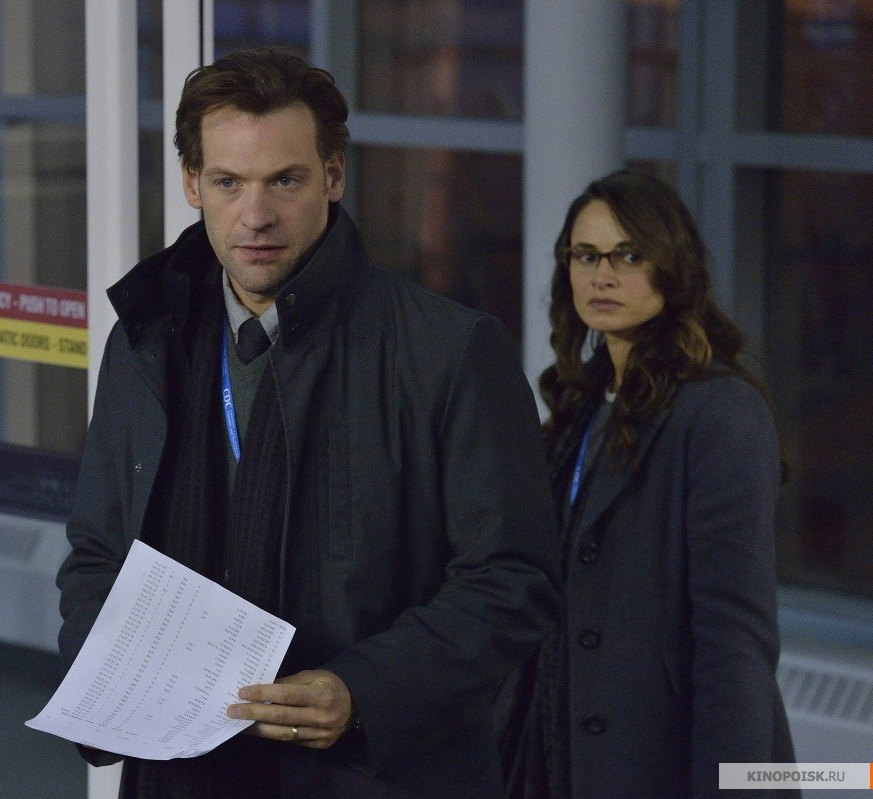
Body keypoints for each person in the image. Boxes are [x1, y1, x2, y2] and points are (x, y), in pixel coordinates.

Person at [56, 47, 560, 799]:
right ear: (192, 184)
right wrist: (102, 681)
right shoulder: (145, 340)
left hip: (371, 776)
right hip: (178, 774)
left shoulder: (449, 352)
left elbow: (514, 579)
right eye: (228, 182)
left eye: (285, 180)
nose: (255, 215)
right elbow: (99, 553)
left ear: (334, 176)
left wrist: (364, 690)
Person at [524, 170, 797, 798]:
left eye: (629, 256)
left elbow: (735, 644)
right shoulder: (582, 403)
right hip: (571, 759)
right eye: (586, 255)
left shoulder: (721, 413)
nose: (602, 276)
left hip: (670, 763)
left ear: (672, 269)